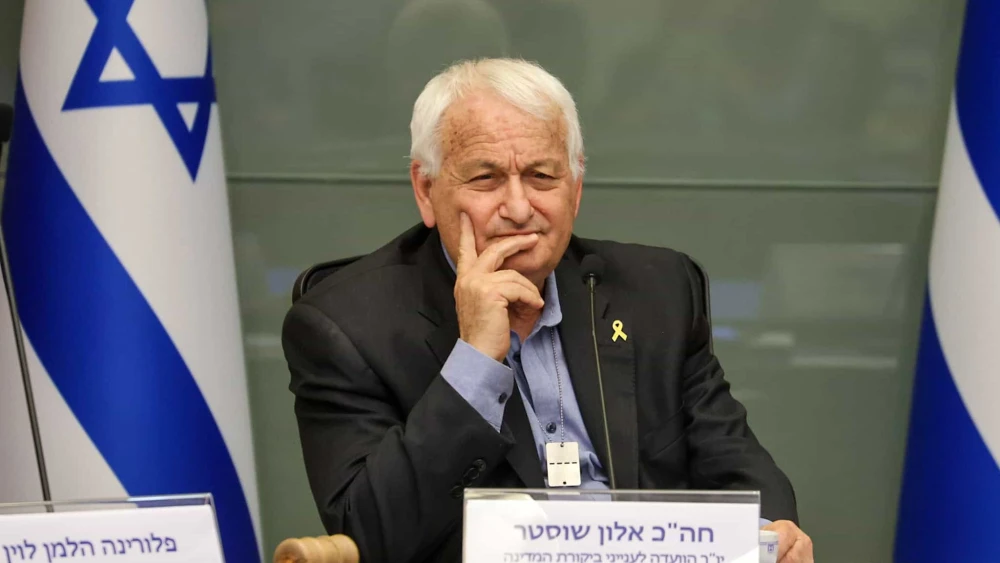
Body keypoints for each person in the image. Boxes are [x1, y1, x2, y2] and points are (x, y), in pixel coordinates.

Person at [283, 58, 813, 563]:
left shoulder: (656, 291)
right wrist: (474, 362)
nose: (518, 209)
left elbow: (735, 463)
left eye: (541, 177)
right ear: (426, 190)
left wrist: (772, 533)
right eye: (486, 178)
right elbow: (371, 534)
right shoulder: (344, 327)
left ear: (575, 190)